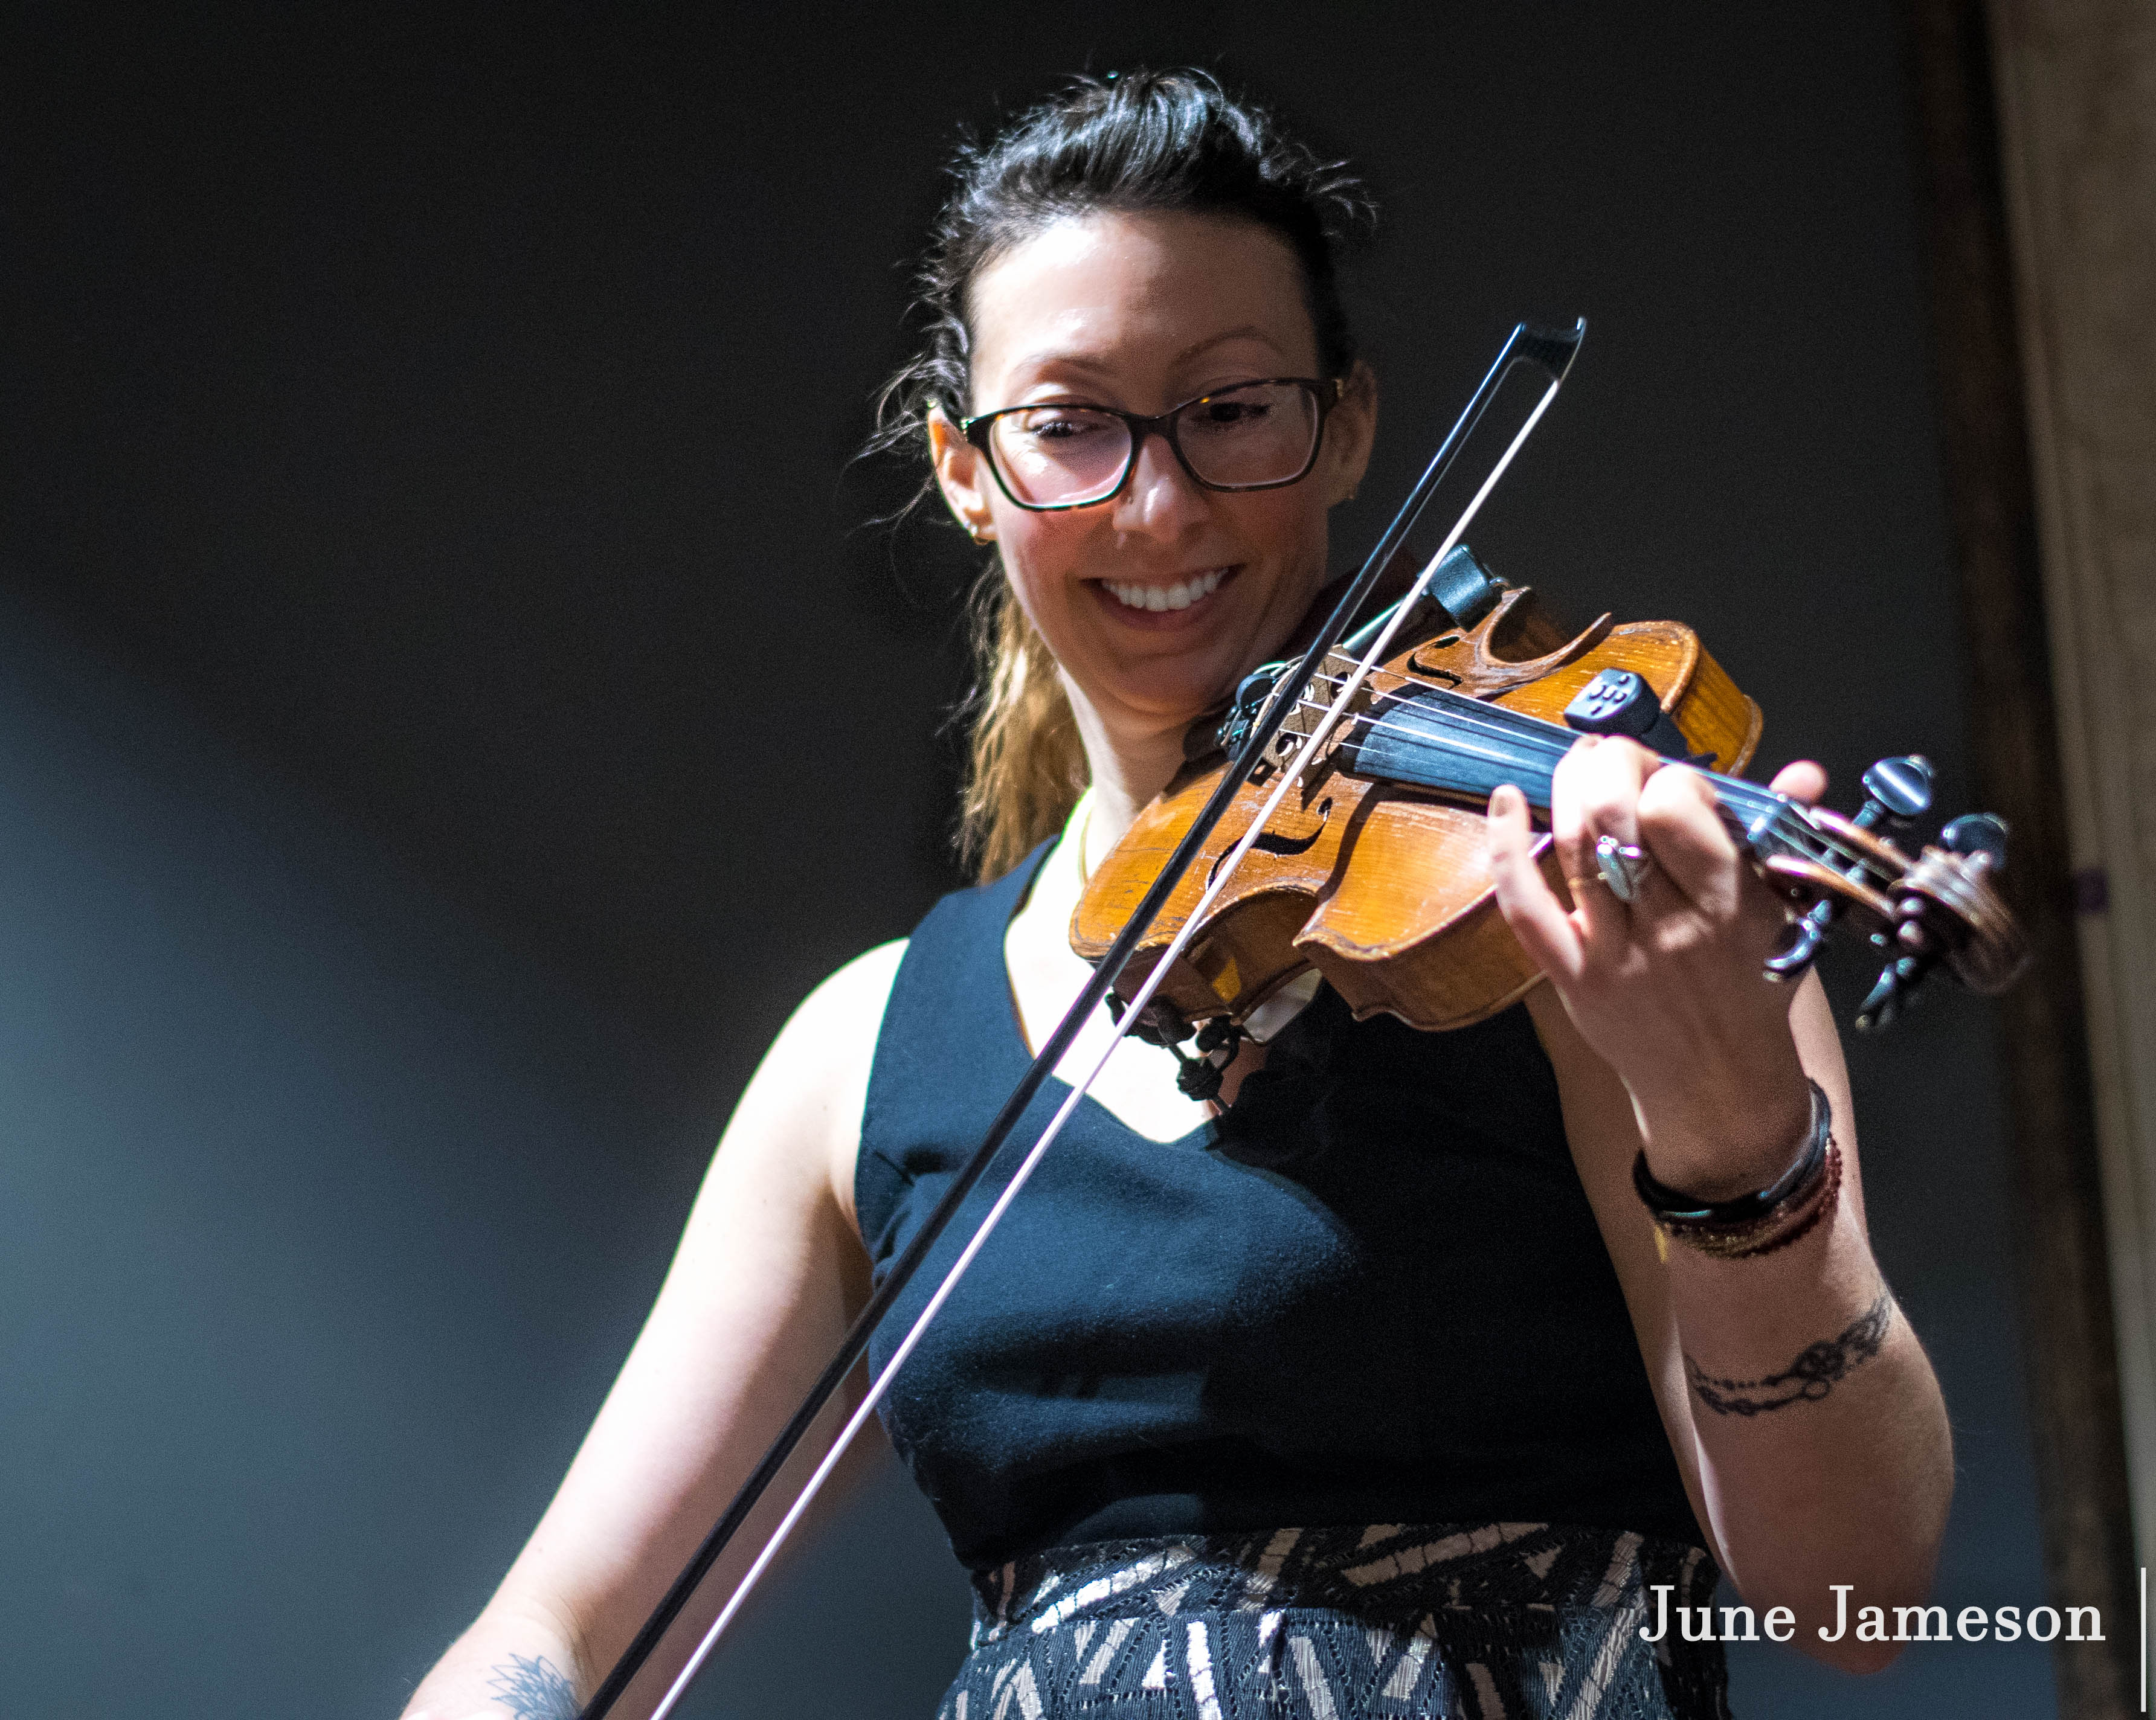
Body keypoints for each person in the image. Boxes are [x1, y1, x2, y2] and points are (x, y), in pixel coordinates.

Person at [400, 69, 1953, 1720]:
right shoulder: (860, 1057)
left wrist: (1729, 1142)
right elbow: (557, 1645)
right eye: (1069, 424)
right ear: (963, 468)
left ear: (1344, 423)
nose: (1157, 506)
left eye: (1229, 410)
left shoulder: (1573, 917)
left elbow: (1853, 1595)